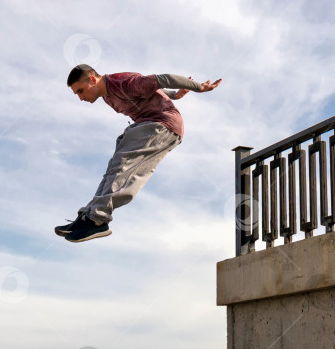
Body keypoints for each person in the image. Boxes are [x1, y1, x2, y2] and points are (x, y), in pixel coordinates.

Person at [56, 64, 221, 242]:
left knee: (123, 166)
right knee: (113, 168)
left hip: (160, 124)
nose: (81, 98)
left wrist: (198, 87)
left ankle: (98, 219)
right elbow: (152, 92)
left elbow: (164, 79)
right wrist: (174, 95)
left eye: (80, 91)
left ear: (92, 79)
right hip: (144, 125)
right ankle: (88, 216)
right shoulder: (106, 96)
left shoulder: (124, 83)